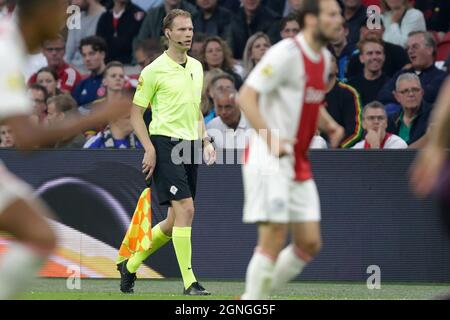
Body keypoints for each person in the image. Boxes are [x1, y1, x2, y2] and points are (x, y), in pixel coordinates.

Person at [0, 0, 129, 300]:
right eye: (60, 9)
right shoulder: (6, 48)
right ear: (41, 10)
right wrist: (96, 116)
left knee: (41, 236)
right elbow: (27, 139)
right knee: (40, 236)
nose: (64, 20)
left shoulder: (10, 44)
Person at [238, 0, 344, 299]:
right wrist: (271, 140)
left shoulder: (323, 58)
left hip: (297, 159)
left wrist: (330, 124)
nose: (339, 21)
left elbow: (308, 98)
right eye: (332, 15)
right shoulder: (285, 53)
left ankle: (252, 298)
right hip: (268, 155)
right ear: (311, 19)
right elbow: (245, 97)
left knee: (309, 243)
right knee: (273, 236)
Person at [117, 9, 216, 296]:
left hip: (189, 146)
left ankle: (131, 264)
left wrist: (206, 141)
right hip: (164, 144)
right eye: (182, 29)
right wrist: (149, 148)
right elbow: (136, 115)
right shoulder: (153, 70)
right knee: (187, 209)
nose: (188, 34)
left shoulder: (197, 67)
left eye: (191, 29)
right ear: (168, 33)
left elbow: (194, 107)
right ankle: (189, 282)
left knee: (174, 222)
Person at [387, 73, 432, 148]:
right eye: (405, 91)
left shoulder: (435, 115)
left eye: (415, 90)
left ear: (422, 93)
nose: (411, 94)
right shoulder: (390, 121)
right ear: (397, 96)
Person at [347, 38, 390, 106]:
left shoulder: (391, 85)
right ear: (361, 58)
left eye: (378, 53)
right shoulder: (351, 87)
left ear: (384, 57)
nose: (374, 57)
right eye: (370, 53)